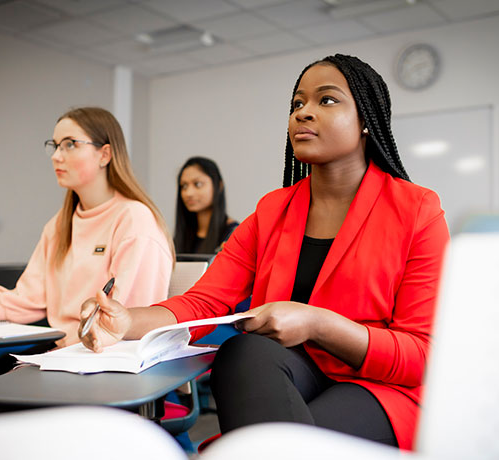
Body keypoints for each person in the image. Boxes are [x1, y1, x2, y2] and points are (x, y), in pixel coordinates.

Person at [79, 55, 449, 450]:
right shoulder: (273, 210)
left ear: (365, 121)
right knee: (243, 352)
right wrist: (126, 320)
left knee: (275, 443)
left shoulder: (417, 210)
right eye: (297, 104)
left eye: (326, 100)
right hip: (290, 373)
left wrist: (318, 324)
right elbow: (205, 302)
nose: (304, 112)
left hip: (381, 387)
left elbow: (421, 355)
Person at [0, 107, 174, 348]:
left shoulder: (134, 220)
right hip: (63, 352)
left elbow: (125, 322)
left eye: (70, 145)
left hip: (104, 358)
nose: (57, 156)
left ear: (104, 154)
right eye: (55, 146)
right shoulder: (59, 225)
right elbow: (23, 301)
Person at [174, 156, 238, 254]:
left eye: (198, 184)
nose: (188, 193)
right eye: (184, 186)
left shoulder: (233, 233)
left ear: (219, 186)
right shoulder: (183, 235)